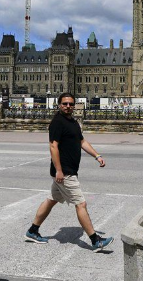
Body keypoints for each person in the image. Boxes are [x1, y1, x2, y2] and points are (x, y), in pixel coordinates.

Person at [25, 92, 113, 252]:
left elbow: (82, 141)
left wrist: (97, 155)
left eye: (71, 104)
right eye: (65, 103)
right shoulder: (57, 122)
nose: (68, 106)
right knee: (81, 204)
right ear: (59, 104)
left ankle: (32, 231)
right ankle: (95, 241)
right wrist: (59, 170)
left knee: (51, 200)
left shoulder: (72, 122)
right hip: (64, 172)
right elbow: (53, 146)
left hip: (67, 170)